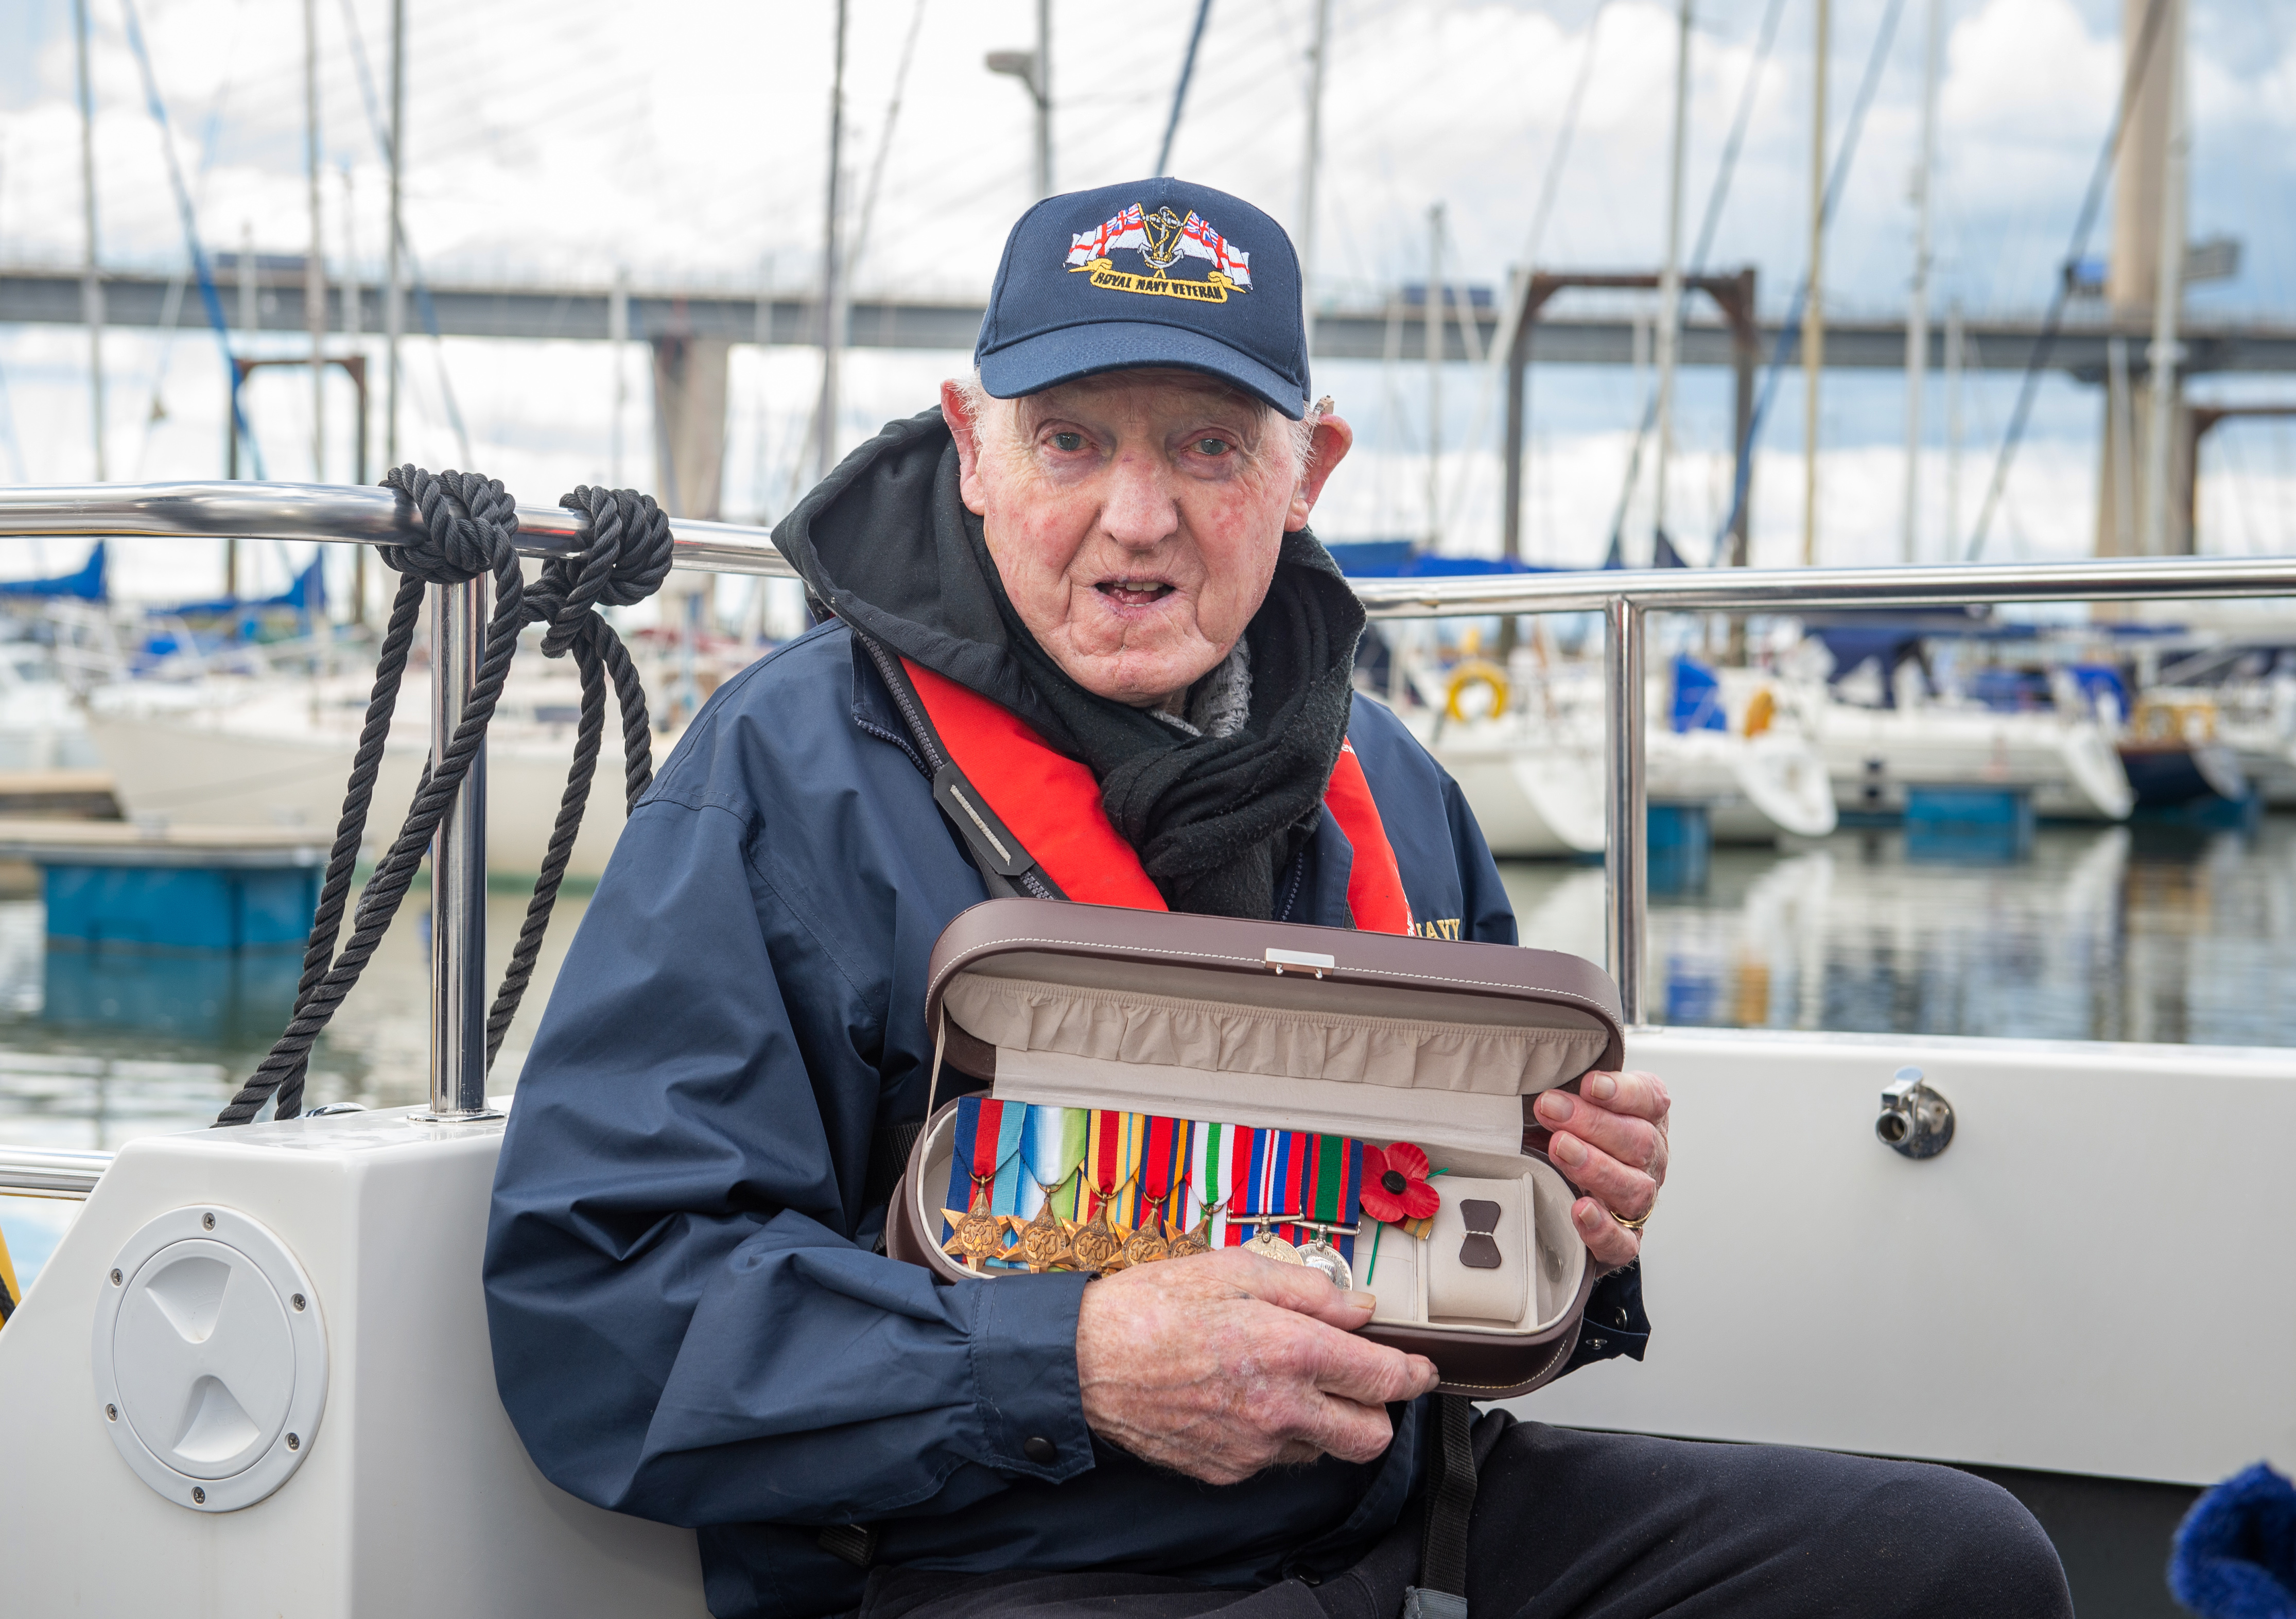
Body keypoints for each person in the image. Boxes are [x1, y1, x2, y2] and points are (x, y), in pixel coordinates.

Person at [484, 179, 2069, 1619]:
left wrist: (1577, 1231)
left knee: (1953, 1563)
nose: (1137, 516)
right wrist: (1076, 1363)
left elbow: (1484, 1288)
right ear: (971, 446)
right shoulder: (781, 774)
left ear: (1306, 471)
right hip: (990, 1561)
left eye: (1206, 445)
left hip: (1400, 1530)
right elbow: (601, 1308)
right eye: (1073, 439)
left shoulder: (1391, 777)